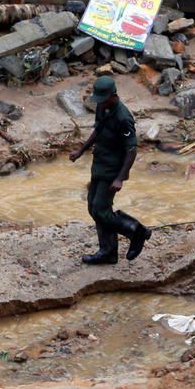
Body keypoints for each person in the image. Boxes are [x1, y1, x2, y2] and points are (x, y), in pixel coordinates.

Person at [68, 75, 151, 264]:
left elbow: (131, 150)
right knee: (93, 207)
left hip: (113, 169)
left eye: (103, 100)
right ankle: (109, 252)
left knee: (101, 209)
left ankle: (137, 231)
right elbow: (98, 130)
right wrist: (81, 150)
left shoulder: (123, 118)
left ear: (114, 95)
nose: (101, 103)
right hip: (99, 163)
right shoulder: (102, 107)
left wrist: (120, 178)